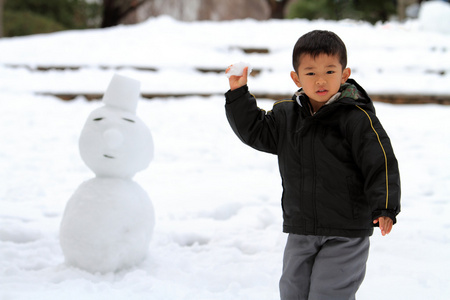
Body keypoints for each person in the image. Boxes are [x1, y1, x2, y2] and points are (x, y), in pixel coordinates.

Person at [224, 30, 401, 300]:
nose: (320, 80)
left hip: (346, 230)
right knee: (293, 290)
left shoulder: (356, 118)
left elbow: (380, 162)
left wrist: (386, 206)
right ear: (296, 77)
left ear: (344, 74)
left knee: (329, 293)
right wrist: (238, 94)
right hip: (302, 227)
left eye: (330, 72)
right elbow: (254, 131)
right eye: (310, 73)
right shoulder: (286, 116)